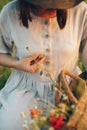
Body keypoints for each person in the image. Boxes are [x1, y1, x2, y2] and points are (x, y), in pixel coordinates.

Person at [0, 0, 87, 129]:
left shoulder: (80, 10)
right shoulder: (10, 12)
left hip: (69, 87)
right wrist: (18, 64)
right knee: (9, 125)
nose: (52, 8)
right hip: (26, 88)